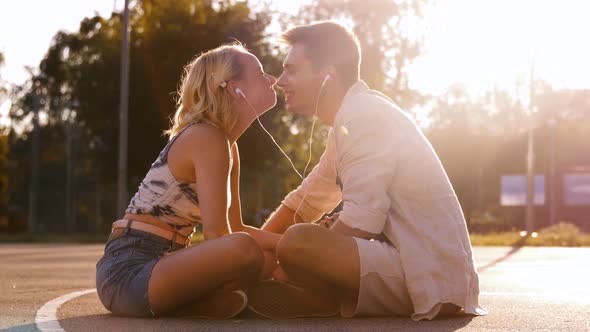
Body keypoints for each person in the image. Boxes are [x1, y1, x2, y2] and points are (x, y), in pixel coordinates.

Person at [246, 22, 488, 321]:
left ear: (327, 76)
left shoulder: (364, 115)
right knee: (297, 240)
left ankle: (312, 292)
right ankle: (318, 297)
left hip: (426, 274)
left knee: (299, 242)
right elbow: (305, 201)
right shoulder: (349, 120)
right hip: (412, 267)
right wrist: (250, 248)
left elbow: (361, 221)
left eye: (291, 70)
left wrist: (288, 262)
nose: (280, 81)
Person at [95, 43, 281, 319]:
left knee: (266, 260)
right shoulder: (207, 137)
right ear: (234, 89)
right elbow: (218, 236)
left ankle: (205, 303)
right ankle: (209, 301)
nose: (273, 79)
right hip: (129, 270)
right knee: (246, 251)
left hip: (166, 263)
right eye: (261, 72)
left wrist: (292, 244)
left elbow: (236, 226)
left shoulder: (228, 146)